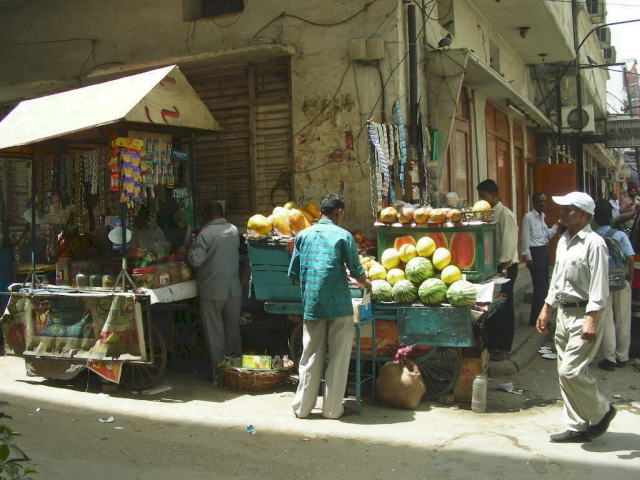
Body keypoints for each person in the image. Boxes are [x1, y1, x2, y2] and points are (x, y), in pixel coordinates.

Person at [536, 192, 616, 443]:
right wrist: (546, 307)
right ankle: (576, 425)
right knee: (563, 372)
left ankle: (602, 411)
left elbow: (599, 286)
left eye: (568, 209)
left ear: (583, 214)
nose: (561, 212)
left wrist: (591, 319)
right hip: (564, 313)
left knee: (572, 371)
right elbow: (557, 278)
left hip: (585, 315)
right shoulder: (563, 240)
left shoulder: (594, 243)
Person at [288, 193, 371, 419]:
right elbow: (356, 270)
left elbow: (294, 274)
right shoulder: (343, 235)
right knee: (338, 356)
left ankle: (303, 408)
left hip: (313, 305)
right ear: (339, 212)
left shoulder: (302, 235)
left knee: (310, 355)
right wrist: (367, 284)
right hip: (339, 306)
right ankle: (333, 410)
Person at [188, 201, 242, 384]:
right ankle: (236, 373)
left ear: (206, 216)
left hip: (212, 289)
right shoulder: (233, 230)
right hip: (233, 288)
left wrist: (190, 247)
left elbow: (196, 260)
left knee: (215, 333)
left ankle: (220, 376)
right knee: (233, 331)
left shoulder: (206, 233)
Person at [476, 179, 519, 361]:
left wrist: (504, 270)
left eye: (484, 196)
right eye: (479, 196)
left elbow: (508, 246)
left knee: (504, 308)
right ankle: (494, 344)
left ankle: (505, 347)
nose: (481, 199)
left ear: (494, 195)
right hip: (493, 268)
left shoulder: (505, 215)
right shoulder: (488, 213)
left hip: (506, 267)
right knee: (492, 307)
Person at [593, 200, 634, 371]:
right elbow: (630, 258)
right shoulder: (620, 236)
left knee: (606, 320)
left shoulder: (592, 237)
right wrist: (629, 281)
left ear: (594, 217)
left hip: (601, 283)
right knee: (623, 319)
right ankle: (623, 355)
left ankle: (609, 359)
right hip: (620, 281)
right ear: (611, 217)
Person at [520, 192, 559, 327]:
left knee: (544, 287)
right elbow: (524, 239)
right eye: (539, 202)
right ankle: (536, 319)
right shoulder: (528, 218)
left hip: (543, 252)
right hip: (534, 254)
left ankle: (541, 318)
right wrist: (528, 258)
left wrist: (556, 224)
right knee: (539, 288)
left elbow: (547, 235)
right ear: (534, 202)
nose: (542, 204)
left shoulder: (542, 218)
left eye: (544, 202)